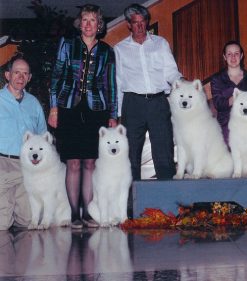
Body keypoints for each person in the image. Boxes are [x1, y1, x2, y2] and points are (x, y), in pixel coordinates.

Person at [48, 4, 118, 229]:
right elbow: (56, 77)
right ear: (80, 23)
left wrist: (113, 114)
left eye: (93, 20)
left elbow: (111, 85)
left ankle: (88, 212)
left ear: (99, 25)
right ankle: (74, 213)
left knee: (90, 162)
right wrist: (53, 107)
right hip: (69, 108)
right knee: (73, 162)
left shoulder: (107, 51)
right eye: (85, 20)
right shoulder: (67, 45)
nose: (88, 24)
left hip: (96, 111)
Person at [114, 3, 182, 181]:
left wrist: (182, 84)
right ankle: (131, 200)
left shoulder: (160, 43)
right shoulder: (120, 49)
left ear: (147, 23)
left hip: (158, 103)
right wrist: (119, 114)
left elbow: (171, 72)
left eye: (143, 22)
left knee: (164, 151)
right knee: (131, 154)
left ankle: (167, 198)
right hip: (132, 104)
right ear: (129, 24)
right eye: (135, 23)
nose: (140, 26)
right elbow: (118, 82)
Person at [0, 55, 47, 230]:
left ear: (29, 78)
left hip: (27, 167)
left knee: (29, 221)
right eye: (16, 72)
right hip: (2, 165)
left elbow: (42, 136)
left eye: (24, 73)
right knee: (2, 225)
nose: (20, 77)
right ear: (7, 75)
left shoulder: (33, 103)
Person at [211, 40, 247, 145]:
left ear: (241, 55)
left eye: (236, 53)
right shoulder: (217, 79)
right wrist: (234, 100)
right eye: (229, 54)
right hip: (226, 124)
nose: (233, 57)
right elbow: (218, 104)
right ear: (224, 57)